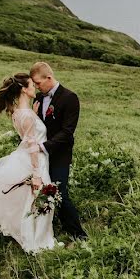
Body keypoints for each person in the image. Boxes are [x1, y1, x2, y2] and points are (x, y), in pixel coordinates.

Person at [0, 73, 58, 253]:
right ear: (25, 89)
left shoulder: (19, 113)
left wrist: (33, 115)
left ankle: (35, 238)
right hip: (35, 161)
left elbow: (28, 135)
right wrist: (36, 174)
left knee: (32, 202)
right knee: (42, 200)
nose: (35, 87)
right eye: (32, 85)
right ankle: (39, 242)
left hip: (26, 157)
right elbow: (33, 145)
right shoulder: (26, 115)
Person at [30, 61, 87, 240]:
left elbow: (67, 132)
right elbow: (38, 127)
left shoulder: (70, 97)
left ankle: (78, 234)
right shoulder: (38, 98)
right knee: (43, 192)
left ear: (49, 77)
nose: (37, 87)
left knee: (60, 193)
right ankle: (48, 227)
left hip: (60, 154)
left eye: (38, 83)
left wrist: (44, 146)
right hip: (40, 156)